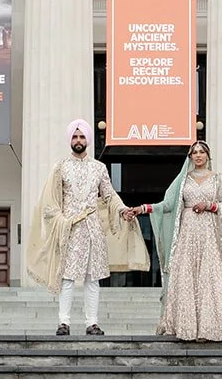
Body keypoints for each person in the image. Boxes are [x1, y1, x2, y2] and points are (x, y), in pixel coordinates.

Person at [25, 118, 148, 336]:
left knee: (93, 279)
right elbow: (51, 200)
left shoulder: (99, 168)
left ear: (88, 140)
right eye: (75, 136)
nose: (78, 140)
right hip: (69, 230)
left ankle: (92, 323)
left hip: (93, 231)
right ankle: (63, 322)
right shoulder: (61, 167)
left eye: (82, 136)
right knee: (67, 278)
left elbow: (109, 195)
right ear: (70, 140)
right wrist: (61, 220)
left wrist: (122, 210)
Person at [132, 139, 222, 341]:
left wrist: (209, 205)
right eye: (195, 152)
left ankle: (210, 327)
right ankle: (187, 327)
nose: (198, 155)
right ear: (190, 157)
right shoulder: (182, 180)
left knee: (210, 277)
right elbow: (168, 205)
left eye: (202, 152)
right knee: (187, 277)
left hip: (210, 237)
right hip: (187, 236)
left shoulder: (217, 180)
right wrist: (143, 208)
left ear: (208, 156)